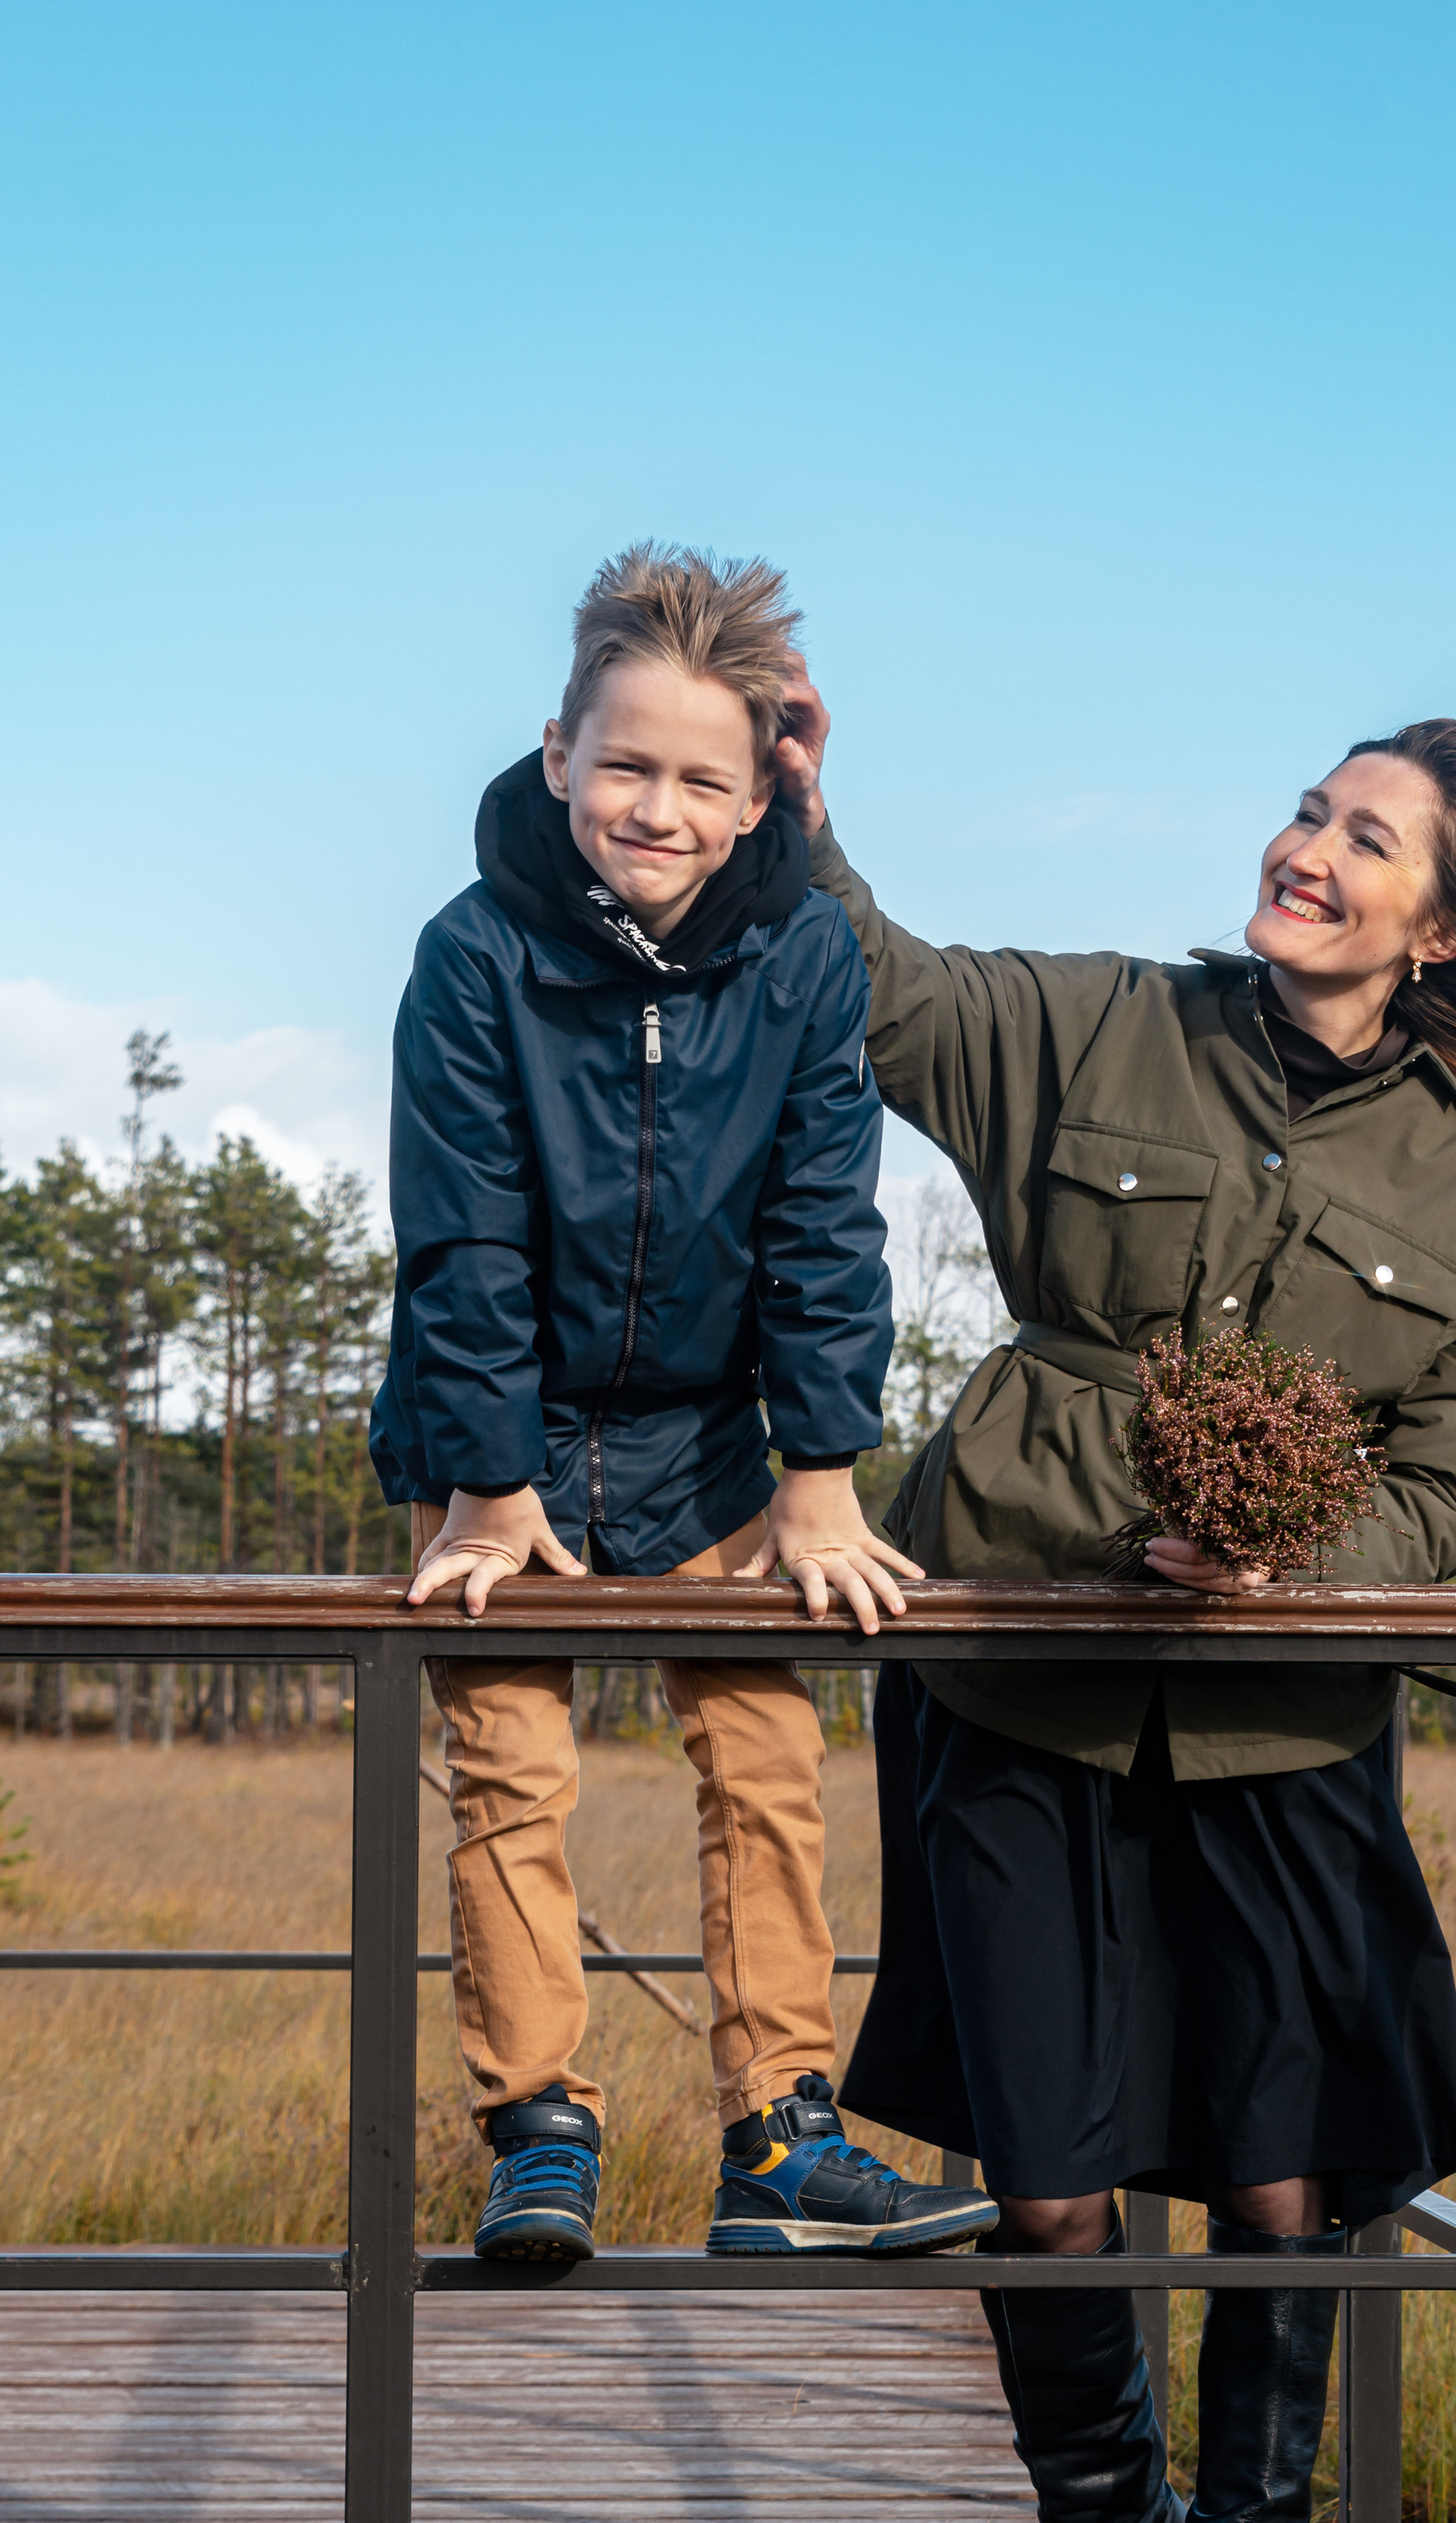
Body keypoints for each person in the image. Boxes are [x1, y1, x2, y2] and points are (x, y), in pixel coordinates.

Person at [769, 678, 1456, 2523]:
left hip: (1283, 1733)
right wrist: (801, 806)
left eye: (1365, 839)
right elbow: (880, 995)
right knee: (1051, 2191)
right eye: (1304, 814)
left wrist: (1287, 1559)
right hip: (1012, 1692)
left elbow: (1447, 1498)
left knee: (1283, 2189)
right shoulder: (1100, 1026)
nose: (1309, 851)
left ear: (1440, 927)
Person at [370, 546, 999, 2267]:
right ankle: (537, 2130)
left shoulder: (800, 957)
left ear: (756, 795)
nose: (655, 806)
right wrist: (490, 1487)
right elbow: (464, 1227)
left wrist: (818, 1480)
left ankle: (779, 2139)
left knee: (765, 1754)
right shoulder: (473, 950)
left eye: (699, 779)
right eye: (625, 764)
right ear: (557, 750)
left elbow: (821, 1224)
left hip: (724, 1440)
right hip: (496, 1430)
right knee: (506, 1764)